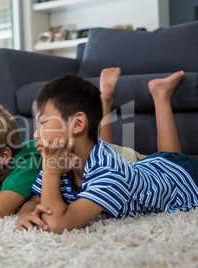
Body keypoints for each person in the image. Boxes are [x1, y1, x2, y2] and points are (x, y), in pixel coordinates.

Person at [17, 69, 198, 234]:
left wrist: (51, 171)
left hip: (185, 174)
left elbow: (56, 225)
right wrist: (25, 215)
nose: (34, 134)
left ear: (78, 124)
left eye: (43, 123)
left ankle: (161, 95)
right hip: (151, 166)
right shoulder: (59, 158)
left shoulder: (109, 171)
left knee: (174, 162)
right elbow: (35, 199)